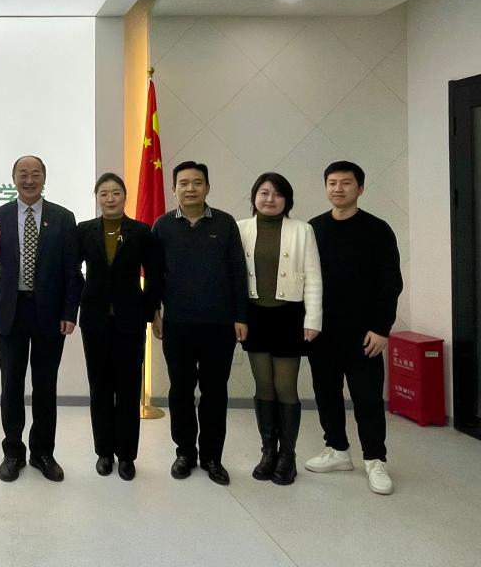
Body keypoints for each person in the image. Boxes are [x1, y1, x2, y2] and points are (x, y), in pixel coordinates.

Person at [306, 161, 402, 495]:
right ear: (325, 188)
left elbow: (390, 283)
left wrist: (382, 328)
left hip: (365, 335)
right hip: (322, 333)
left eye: (346, 183)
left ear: (360, 188)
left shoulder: (378, 230)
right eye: (332, 182)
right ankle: (337, 450)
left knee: (368, 399)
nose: (338, 188)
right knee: (326, 393)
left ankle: (375, 459)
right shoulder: (313, 228)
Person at [0, 155, 81, 483]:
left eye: (35, 174)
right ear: (13, 178)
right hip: (10, 313)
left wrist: (69, 312)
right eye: (23, 174)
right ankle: (13, 452)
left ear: (44, 178)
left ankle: (43, 453)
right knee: (10, 385)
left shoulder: (63, 217)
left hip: (50, 315)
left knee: (45, 386)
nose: (29, 180)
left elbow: (72, 270)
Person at [152, 161, 246, 486]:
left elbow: (237, 272)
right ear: (174, 189)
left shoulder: (225, 223)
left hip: (219, 325)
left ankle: (212, 457)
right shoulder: (163, 226)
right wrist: (154, 312)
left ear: (207, 187)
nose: (190, 188)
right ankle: (185, 453)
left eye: (197, 182)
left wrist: (241, 316)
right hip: (177, 324)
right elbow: (155, 276)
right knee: (180, 391)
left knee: (214, 392)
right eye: (184, 183)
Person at [76, 172, 163, 481]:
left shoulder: (141, 232)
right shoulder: (84, 230)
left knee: (128, 389)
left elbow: (155, 275)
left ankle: (126, 456)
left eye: (115, 193)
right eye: (104, 193)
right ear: (97, 198)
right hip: (94, 320)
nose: (110, 198)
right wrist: (83, 296)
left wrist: (151, 312)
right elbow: (71, 269)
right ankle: (104, 452)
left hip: (130, 320)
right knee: (99, 388)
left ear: (125, 197)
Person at [237, 172, 322, 485]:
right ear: (254, 197)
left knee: (285, 386)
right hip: (255, 316)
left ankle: (288, 455)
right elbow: (233, 276)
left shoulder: (303, 230)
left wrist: (313, 319)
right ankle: (268, 452)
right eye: (264, 192)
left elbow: (314, 277)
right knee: (264, 386)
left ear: (287, 200)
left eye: (277, 194)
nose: (270, 199)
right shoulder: (241, 229)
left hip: (290, 316)